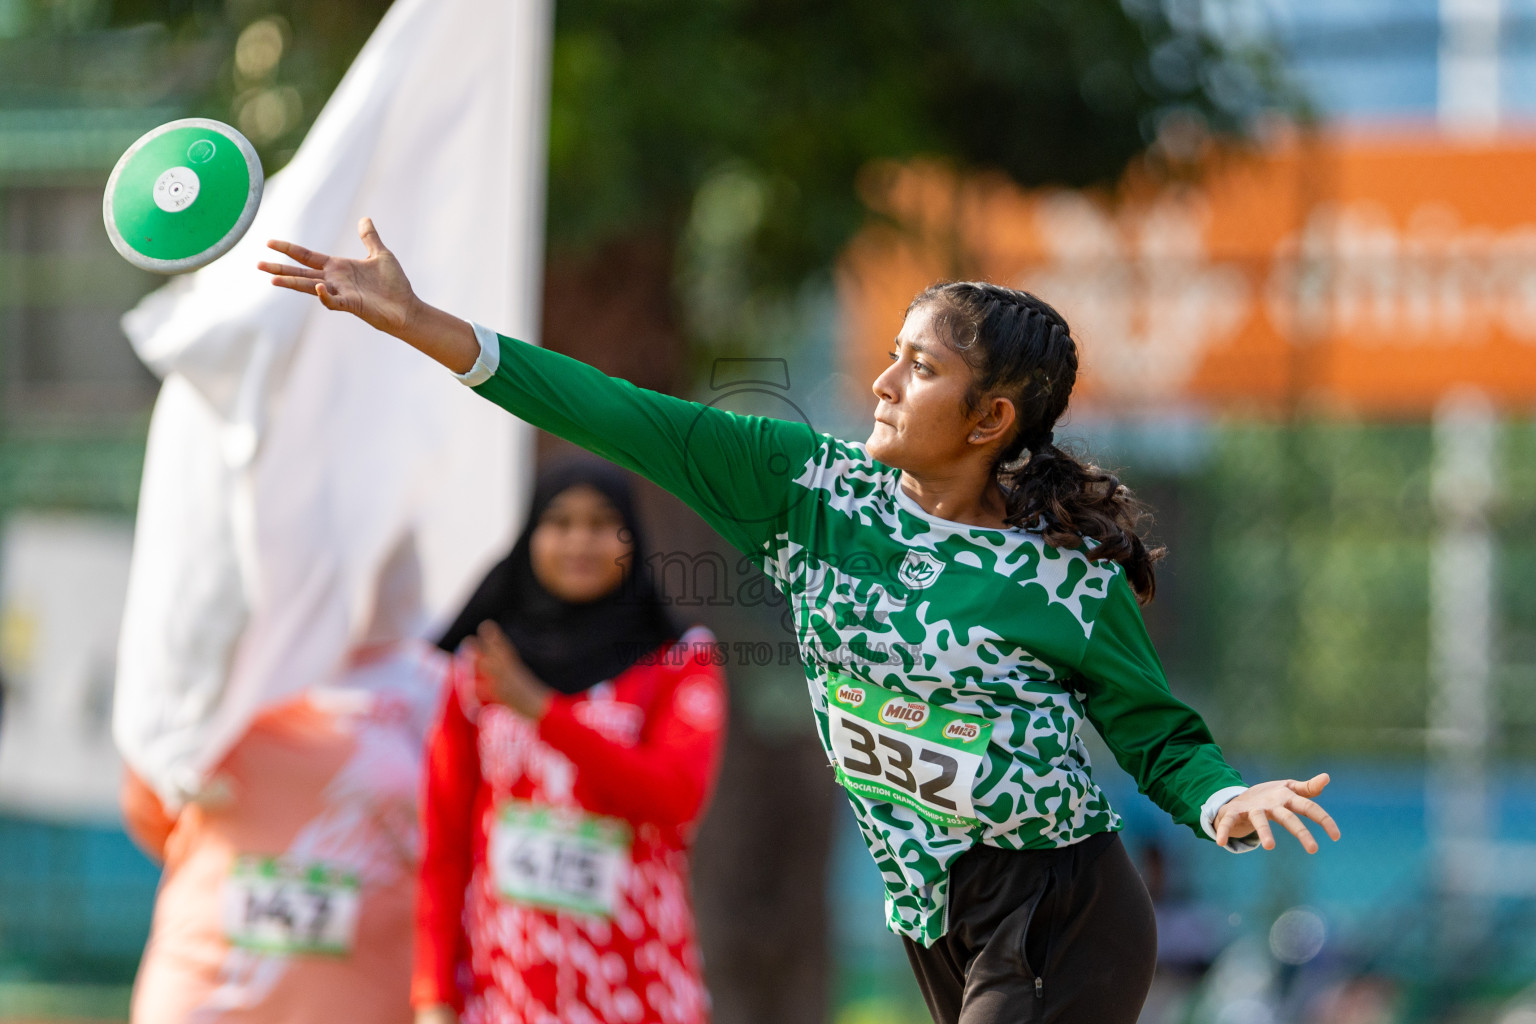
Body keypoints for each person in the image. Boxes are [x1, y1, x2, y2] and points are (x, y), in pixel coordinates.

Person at [260, 221, 1341, 1024]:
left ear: (991, 418)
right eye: (892, 354)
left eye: (919, 368)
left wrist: (1223, 798)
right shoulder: (806, 489)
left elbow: (1157, 736)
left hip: (1057, 902)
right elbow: (607, 408)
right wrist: (420, 326)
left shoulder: (1063, 578)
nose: (880, 381)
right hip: (931, 911)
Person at [411, 457, 728, 1024]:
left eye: (603, 523)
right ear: (530, 535)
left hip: (636, 985)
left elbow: (675, 798)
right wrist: (432, 994)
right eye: (559, 523)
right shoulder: (483, 665)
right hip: (504, 989)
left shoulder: (679, 660)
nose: (580, 540)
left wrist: (542, 711)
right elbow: (445, 842)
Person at [121, 537, 444, 1024]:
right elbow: (149, 805)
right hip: (210, 989)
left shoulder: (439, 690)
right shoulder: (218, 680)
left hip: (368, 995)